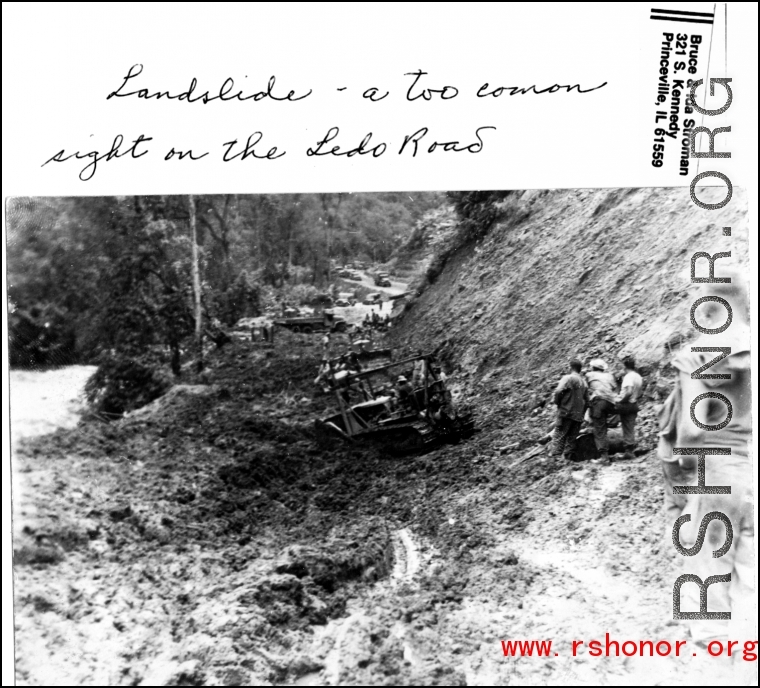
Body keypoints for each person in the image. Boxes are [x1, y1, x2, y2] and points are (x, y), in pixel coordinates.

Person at [658, 270, 753, 666]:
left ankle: (715, 660)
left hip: (719, 468)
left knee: (709, 564)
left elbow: (693, 430)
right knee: (751, 576)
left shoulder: (702, 351)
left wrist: (681, 461)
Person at [550, 358, 588, 461]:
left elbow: (558, 391)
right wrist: (582, 414)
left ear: (570, 367)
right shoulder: (584, 382)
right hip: (578, 416)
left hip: (566, 413)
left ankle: (555, 461)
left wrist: (557, 402)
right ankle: (568, 461)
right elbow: (587, 401)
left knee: (559, 436)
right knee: (571, 439)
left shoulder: (568, 378)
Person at [585, 358, 618, 462]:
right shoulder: (610, 375)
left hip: (599, 402)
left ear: (593, 368)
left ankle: (604, 457)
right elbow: (614, 389)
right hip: (611, 403)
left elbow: (584, 390)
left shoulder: (589, 375)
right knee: (606, 422)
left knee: (599, 429)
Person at [616, 355, 643, 460]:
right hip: (634, 403)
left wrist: (622, 401)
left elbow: (629, 392)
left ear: (625, 366)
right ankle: (629, 451)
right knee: (629, 427)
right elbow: (640, 393)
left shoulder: (628, 377)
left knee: (624, 425)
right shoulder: (638, 377)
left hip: (626, 403)